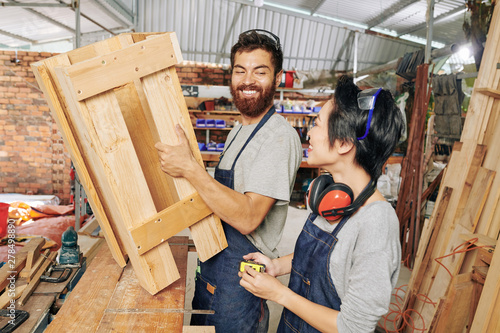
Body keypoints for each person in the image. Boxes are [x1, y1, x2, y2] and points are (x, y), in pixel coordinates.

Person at [155, 29, 302, 332]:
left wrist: (191, 170)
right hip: (212, 266)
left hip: (241, 280)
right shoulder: (237, 130)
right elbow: (221, 198)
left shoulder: (278, 137)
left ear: (276, 79)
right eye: (240, 71)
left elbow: (248, 218)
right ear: (231, 77)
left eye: (260, 71)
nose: (248, 80)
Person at [239, 75, 404, 332]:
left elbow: (352, 327)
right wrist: (277, 266)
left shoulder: (376, 223)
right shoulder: (331, 198)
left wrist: (280, 294)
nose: (309, 133)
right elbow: (321, 262)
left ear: (344, 143)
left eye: (316, 124)